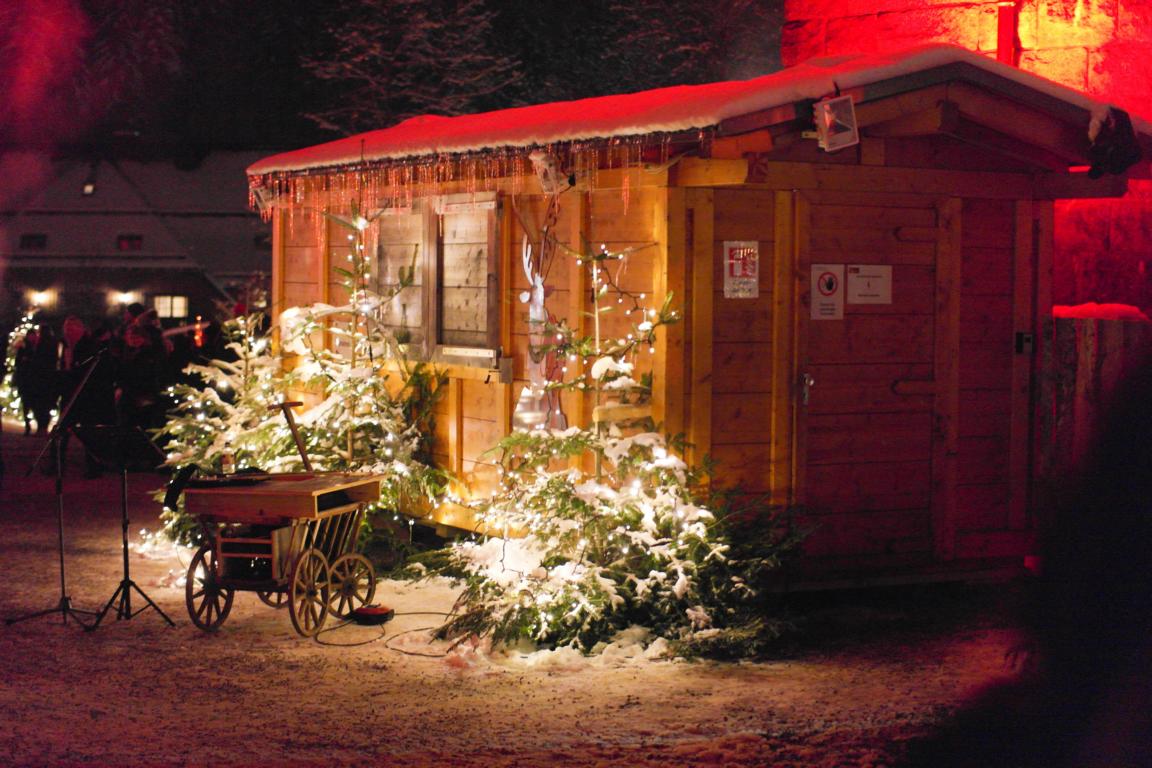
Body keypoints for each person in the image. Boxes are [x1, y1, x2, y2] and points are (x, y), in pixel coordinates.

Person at [55, 316, 116, 478]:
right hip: (69, 393)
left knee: (88, 431)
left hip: (87, 395)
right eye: (67, 328)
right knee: (61, 430)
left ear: (81, 330)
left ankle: (94, 467)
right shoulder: (63, 345)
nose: (69, 331)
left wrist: (72, 369)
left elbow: (92, 372)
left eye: (73, 328)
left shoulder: (90, 347)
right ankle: (57, 465)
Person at [13, 324, 58, 436]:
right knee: (33, 404)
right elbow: (18, 362)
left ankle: (41, 427)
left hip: (38, 379)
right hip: (31, 378)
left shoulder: (42, 345)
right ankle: (36, 426)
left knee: (40, 404)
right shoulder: (28, 346)